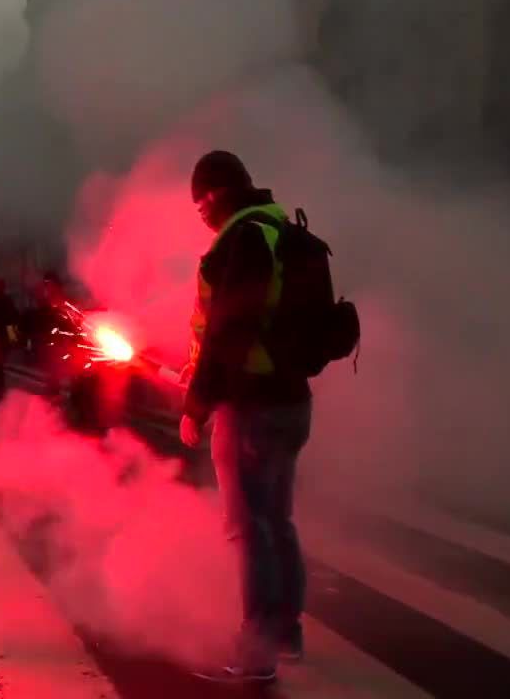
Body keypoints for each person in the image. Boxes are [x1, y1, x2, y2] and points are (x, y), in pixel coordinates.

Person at [179, 150, 312, 685]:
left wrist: (196, 405)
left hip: (250, 405)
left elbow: (227, 331)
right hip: (292, 402)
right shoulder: (282, 231)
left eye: (201, 205)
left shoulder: (242, 240)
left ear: (216, 193)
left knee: (248, 528)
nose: (202, 216)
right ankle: (287, 632)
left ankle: (257, 649)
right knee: (277, 519)